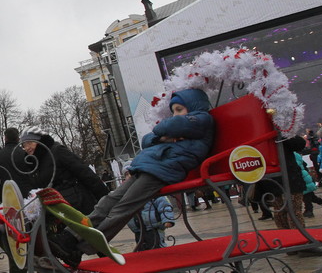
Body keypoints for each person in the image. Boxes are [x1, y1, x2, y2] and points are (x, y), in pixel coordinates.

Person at [54, 88, 214, 267]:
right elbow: (147, 139)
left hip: (163, 171)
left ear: (193, 106)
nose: (174, 115)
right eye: (174, 110)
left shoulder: (201, 118)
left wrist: (165, 132)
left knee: (123, 208)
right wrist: (163, 138)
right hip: (149, 168)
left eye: (179, 109)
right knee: (108, 201)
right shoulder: (186, 126)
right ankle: (69, 236)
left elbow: (167, 126)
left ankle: (81, 247)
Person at [19, 126, 108, 214]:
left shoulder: (57, 151)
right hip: (55, 210)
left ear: (39, 140)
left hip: (77, 205)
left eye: (30, 142)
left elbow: (84, 172)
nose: (27, 148)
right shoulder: (32, 163)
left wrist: (105, 198)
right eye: (24, 145)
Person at [0, 127, 35, 204]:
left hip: (6, 199)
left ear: (5, 138)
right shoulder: (25, 154)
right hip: (27, 198)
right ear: (18, 138)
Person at [297, 152, 322, 218]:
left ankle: (309, 211)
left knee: (306, 195)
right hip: (303, 176)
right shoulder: (295, 155)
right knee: (311, 196)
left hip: (301, 177)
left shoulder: (291, 155)